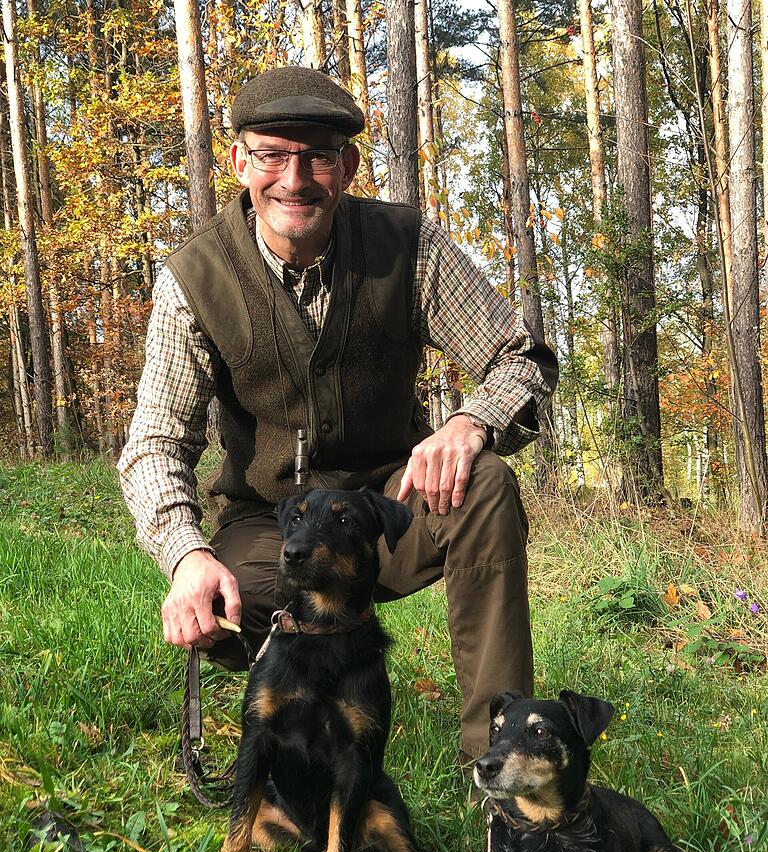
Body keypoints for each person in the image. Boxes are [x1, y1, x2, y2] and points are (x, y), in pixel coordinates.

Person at [117, 65, 558, 766]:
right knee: (226, 622)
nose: (295, 179)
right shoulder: (193, 281)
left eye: (318, 155)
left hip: (389, 510)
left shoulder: (408, 248)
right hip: (270, 526)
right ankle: (304, 730)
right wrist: (185, 555)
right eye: (271, 154)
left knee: (488, 482)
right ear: (239, 161)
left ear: (347, 165)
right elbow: (154, 445)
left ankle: (502, 765)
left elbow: (523, 358)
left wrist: (470, 423)